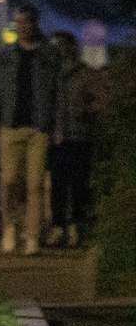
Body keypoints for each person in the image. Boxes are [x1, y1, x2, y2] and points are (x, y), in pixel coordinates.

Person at [0, 3, 58, 255]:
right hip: (10, 125)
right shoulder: (6, 54)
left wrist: (56, 125)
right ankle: (10, 227)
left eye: (26, 22)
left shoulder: (49, 54)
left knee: (35, 184)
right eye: (18, 22)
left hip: (38, 126)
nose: (22, 27)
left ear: (35, 22)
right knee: (8, 181)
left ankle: (32, 236)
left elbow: (57, 92)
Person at [51, 31, 101, 247]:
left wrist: (87, 110)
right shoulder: (50, 76)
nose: (57, 50)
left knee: (79, 184)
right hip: (57, 137)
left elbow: (101, 102)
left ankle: (77, 227)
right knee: (58, 185)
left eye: (61, 45)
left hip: (80, 136)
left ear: (72, 47)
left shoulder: (86, 74)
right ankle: (58, 226)